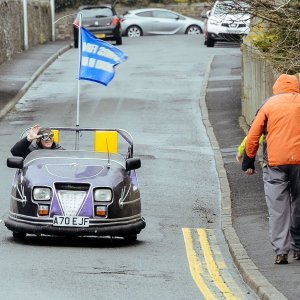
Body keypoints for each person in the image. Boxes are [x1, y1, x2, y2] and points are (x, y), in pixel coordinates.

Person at [242, 73, 300, 265]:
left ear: (276, 88)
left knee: (278, 208)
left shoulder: (269, 105)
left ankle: (281, 252)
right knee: (298, 204)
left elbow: (253, 135)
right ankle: (298, 247)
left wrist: (249, 161)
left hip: (275, 163)